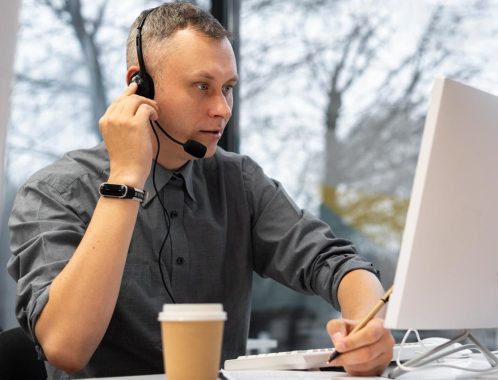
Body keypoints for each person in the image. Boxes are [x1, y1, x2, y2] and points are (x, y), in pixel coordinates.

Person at [7, 2, 395, 379]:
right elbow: (65, 347)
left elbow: (334, 262)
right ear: (140, 85)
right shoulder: (54, 192)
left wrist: (367, 329)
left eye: (227, 88)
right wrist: (126, 179)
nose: (223, 108)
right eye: (201, 86)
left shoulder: (238, 181)